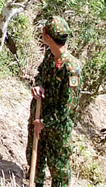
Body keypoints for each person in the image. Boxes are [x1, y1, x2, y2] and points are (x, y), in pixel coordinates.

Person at [27, 17, 82, 187]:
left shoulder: (72, 69)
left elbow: (67, 107)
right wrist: (38, 86)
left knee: (59, 171)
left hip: (57, 128)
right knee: (35, 159)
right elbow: (41, 74)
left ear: (48, 37)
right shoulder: (50, 54)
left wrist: (44, 122)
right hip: (39, 115)